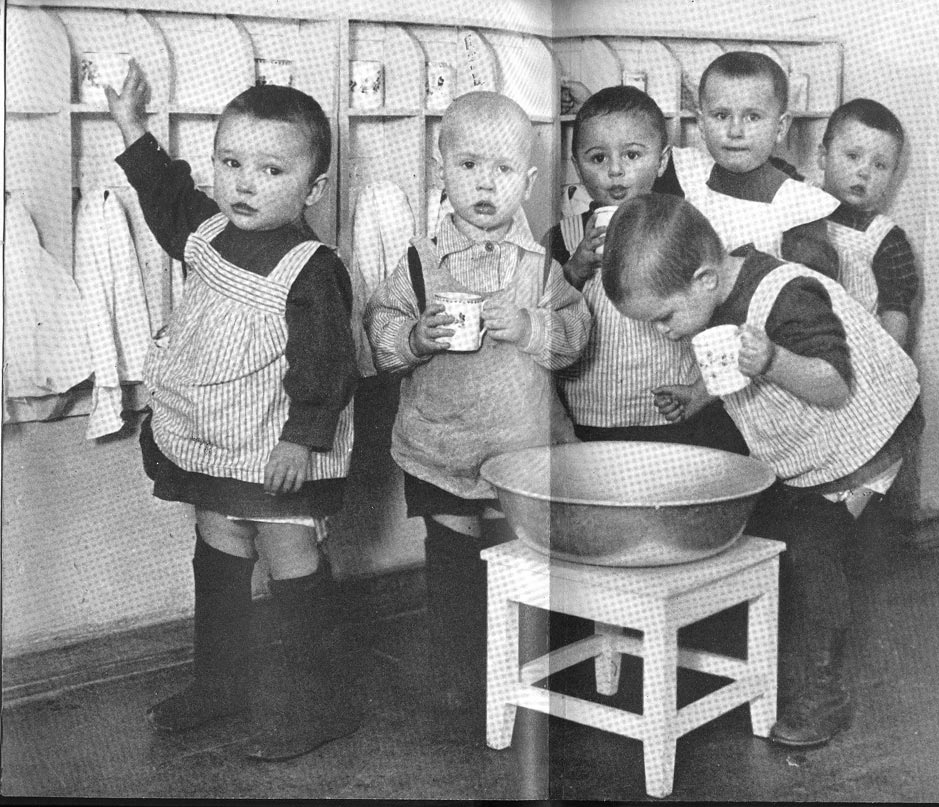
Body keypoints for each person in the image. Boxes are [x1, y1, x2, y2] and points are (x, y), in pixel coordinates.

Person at [599, 193, 923, 748]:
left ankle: (823, 693)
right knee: (775, 535)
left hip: (868, 439)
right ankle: (766, 664)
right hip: (821, 442)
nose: (664, 333)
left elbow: (833, 385)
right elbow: (731, 360)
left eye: (664, 318)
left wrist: (771, 359)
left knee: (811, 552)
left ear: (704, 279)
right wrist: (698, 393)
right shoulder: (716, 294)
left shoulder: (786, 297)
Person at [107, 62, 360, 761]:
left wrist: (301, 439)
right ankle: (219, 684)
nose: (246, 183)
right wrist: (131, 125)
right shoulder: (208, 231)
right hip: (214, 440)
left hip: (278, 450)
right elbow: (165, 195)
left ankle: (321, 703)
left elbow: (328, 365)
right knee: (218, 546)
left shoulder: (312, 267)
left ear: (312, 188)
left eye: (271, 170)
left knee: (289, 556)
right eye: (231, 163)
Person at [364, 91, 591, 713]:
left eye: (503, 169)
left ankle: (524, 672)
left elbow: (575, 334)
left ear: (529, 182)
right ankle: (461, 675)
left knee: (523, 561)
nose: (485, 184)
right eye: (468, 165)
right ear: (441, 168)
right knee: (455, 563)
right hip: (440, 445)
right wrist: (414, 338)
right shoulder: (419, 260)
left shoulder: (541, 265)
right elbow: (380, 325)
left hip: (521, 449)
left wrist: (531, 326)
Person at [544, 84, 747, 454]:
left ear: (662, 160)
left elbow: (721, 306)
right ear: (576, 166)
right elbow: (540, 319)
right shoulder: (562, 237)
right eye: (597, 158)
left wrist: (702, 392)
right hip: (588, 416)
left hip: (673, 412)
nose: (616, 170)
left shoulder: (682, 225)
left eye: (633, 155)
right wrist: (575, 268)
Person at [655, 50, 840, 278]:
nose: (735, 131)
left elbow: (814, 287)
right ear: (701, 124)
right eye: (721, 116)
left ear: (780, 128)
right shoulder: (690, 174)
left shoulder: (798, 204)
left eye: (752, 117)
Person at [819, 98, 919, 348]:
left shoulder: (886, 239)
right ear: (823, 156)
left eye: (879, 165)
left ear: (892, 176)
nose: (864, 171)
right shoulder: (797, 206)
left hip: (857, 351)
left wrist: (889, 363)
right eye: (853, 156)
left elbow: (895, 316)